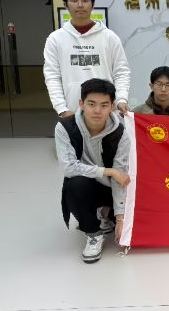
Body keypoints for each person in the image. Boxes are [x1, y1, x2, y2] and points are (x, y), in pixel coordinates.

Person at [55, 78, 130, 263]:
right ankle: (93, 233)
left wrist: (121, 218)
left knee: (133, 222)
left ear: (112, 106)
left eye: (104, 105)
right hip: (86, 184)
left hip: (111, 187)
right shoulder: (65, 127)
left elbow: (120, 175)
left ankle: (106, 213)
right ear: (81, 103)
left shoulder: (121, 132)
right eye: (91, 104)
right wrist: (108, 171)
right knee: (76, 184)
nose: (97, 110)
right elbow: (69, 167)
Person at [44, 0, 131, 119]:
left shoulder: (109, 37)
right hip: (71, 113)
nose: (80, 5)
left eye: (85, 0)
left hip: (106, 113)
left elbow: (121, 72)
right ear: (65, 5)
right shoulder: (55, 39)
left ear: (93, 4)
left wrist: (121, 99)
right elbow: (52, 76)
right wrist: (61, 108)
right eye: (74, 0)